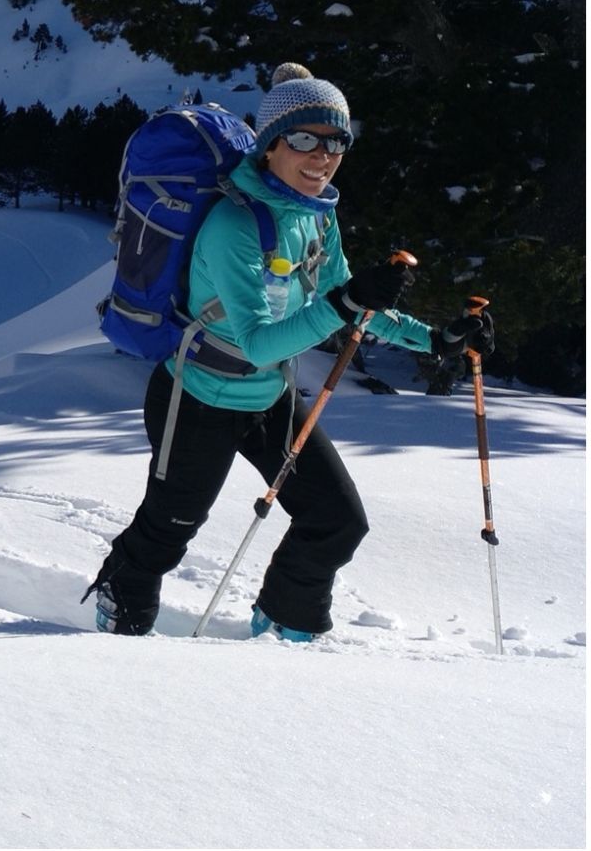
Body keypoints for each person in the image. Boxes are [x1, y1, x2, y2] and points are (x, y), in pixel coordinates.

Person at [84, 64, 495, 641]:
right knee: (170, 528)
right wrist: (344, 302)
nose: (321, 156)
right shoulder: (234, 225)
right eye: (304, 139)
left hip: (269, 396)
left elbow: (359, 305)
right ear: (271, 144)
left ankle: (285, 631)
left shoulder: (316, 219)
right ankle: (117, 612)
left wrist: (438, 340)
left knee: (337, 520)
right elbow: (256, 342)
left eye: (336, 143)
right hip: (198, 397)